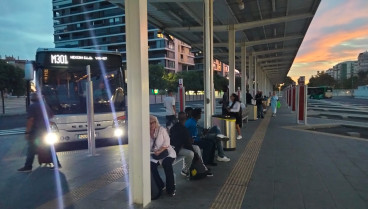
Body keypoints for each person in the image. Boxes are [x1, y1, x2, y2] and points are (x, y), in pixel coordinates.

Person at [18, 92, 61, 172]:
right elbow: (51, 116)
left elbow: (30, 120)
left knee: (31, 149)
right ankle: (57, 163)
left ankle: (28, 166)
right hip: (45, 130)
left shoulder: (32, 106)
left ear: (33, 98)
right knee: (49, 147)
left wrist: (27, 132)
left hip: (36, 132)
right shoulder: (45, 105)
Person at [170, 112, 213, 177]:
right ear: (186, 119)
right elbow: (188, 145)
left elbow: (183, 141)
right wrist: (196, 156)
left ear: (178, 118)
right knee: (191, 153)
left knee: (197, 148)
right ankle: (185, 170)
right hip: (176, 149)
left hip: (178, 147)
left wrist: (189, 141)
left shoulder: (175, 127)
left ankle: (202, 166)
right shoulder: (183, 129)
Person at [150, 115, 176, 197]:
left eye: (152, 122)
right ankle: (160, 184)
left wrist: (160, 150)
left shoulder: (161, 130)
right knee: (151, 166)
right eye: (148, 123)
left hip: (166, 153)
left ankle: (171, 189)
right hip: (154, 155)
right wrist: (154, 151)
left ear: (155, 122)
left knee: (166, 164)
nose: (150, 125)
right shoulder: (144, 133)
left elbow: (167, 143)